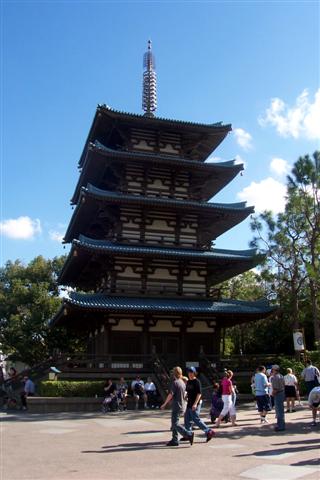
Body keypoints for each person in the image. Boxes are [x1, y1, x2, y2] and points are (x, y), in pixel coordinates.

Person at [160, 366, 194, 447]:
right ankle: (174, 440)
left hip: (177, 405)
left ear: (174, 373)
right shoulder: (182, 382)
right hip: (182, 405)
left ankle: (188, 434)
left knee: (175, 423)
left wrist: (164, 404)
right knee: (174, 423)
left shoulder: (175, 383)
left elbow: (171, 394)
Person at [183, 366, 215, 441]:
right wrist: (186, 396)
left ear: (194, 373)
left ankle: (208, 431)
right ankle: (189, 434)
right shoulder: (188, 382)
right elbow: (189, 391)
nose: (190, 374)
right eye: (189, 372)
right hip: (189, 403)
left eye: (191, 372)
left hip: (195, 403)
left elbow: (199, 393)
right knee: (187, 420)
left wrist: (195, 404)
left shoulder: (197, 381)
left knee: (196, 419)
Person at [271, 364, 285, 432]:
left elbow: (275, 389)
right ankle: (281, 425)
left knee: (279, 411)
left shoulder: (275, 377)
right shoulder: (281, 376)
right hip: (282, 392)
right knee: (280, 410)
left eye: (272, 369)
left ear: (274, 370)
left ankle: (280, 426)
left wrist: (272, 394)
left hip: (278, 394)